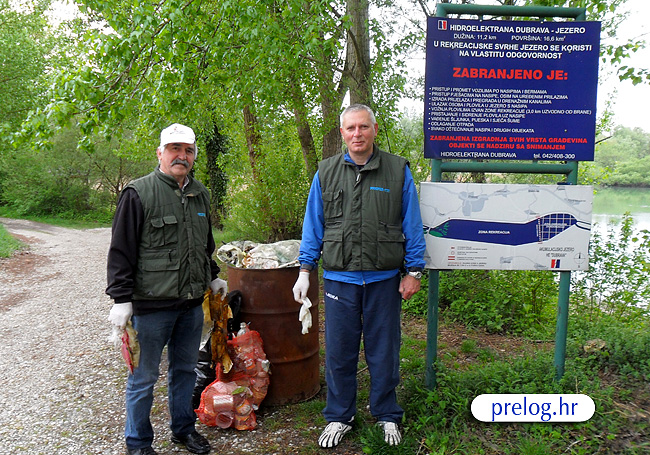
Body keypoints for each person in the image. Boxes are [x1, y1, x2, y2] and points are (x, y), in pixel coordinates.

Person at [292, 104, 426, 448]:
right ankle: (340, 416)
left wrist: (414, 271)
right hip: (340, 279)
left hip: (384, 280)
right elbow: (313, 224)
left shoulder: (397, 170)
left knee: (384, 351)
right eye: (350, 128)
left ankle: (387, 414)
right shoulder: (326, 172)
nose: (357, 134)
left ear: (375, 130)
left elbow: (412, 224)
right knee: (339, 352)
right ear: (342, 133)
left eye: (363, 127)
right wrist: (305, 270)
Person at [106, 123, 228, 455]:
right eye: (175, 149)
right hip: (150, 308)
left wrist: (212, 276)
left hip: (191, 306)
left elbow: (203, 245)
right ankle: (138, 443)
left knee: (185, 371)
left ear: (193, 156)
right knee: (143, 379)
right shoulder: (138, 193)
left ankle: (183, 429)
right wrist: (121, 299)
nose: (181, 156)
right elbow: (121, 250)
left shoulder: (200, 193)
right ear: (160, 153)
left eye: (188, 150)